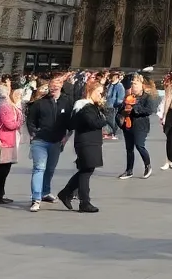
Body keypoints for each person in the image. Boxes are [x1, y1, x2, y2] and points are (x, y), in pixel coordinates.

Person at [25, 75, 74, 212]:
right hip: (40, 141)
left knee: (50, 169)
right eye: (52, 85)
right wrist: (33, 133)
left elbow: (70, 122)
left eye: (57, 84)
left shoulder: (67, 102)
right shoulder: (40, 102)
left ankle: (45, 192)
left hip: (57, 141)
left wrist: (67, 136)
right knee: (39, 168)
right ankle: (36, 198)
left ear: (61, 86)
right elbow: (31, 121)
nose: (54, 87)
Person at [57, 81, 108, 213]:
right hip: (86, 142)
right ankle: (84, 202)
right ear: (91, 91)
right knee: (86, 171)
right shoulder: (84, 106)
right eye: (99, 92)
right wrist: (104, 119)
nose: (101, 95)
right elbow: (93, 123)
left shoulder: (92, 106)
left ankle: (66, 192)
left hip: (91, 142)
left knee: (87, 170)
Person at [117, 73, 154, 179]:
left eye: (136, 84)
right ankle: (129, 170)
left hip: (140, 125)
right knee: (129, 149)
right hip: (128, 124)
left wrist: (135, 109)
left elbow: (149, 110)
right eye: (132, 84)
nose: (134, 86)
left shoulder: (147, 97)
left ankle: (148, 165)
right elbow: (120, 110)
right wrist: (122, 114)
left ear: (141, 84)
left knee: (139, 145)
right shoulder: (128, 96)